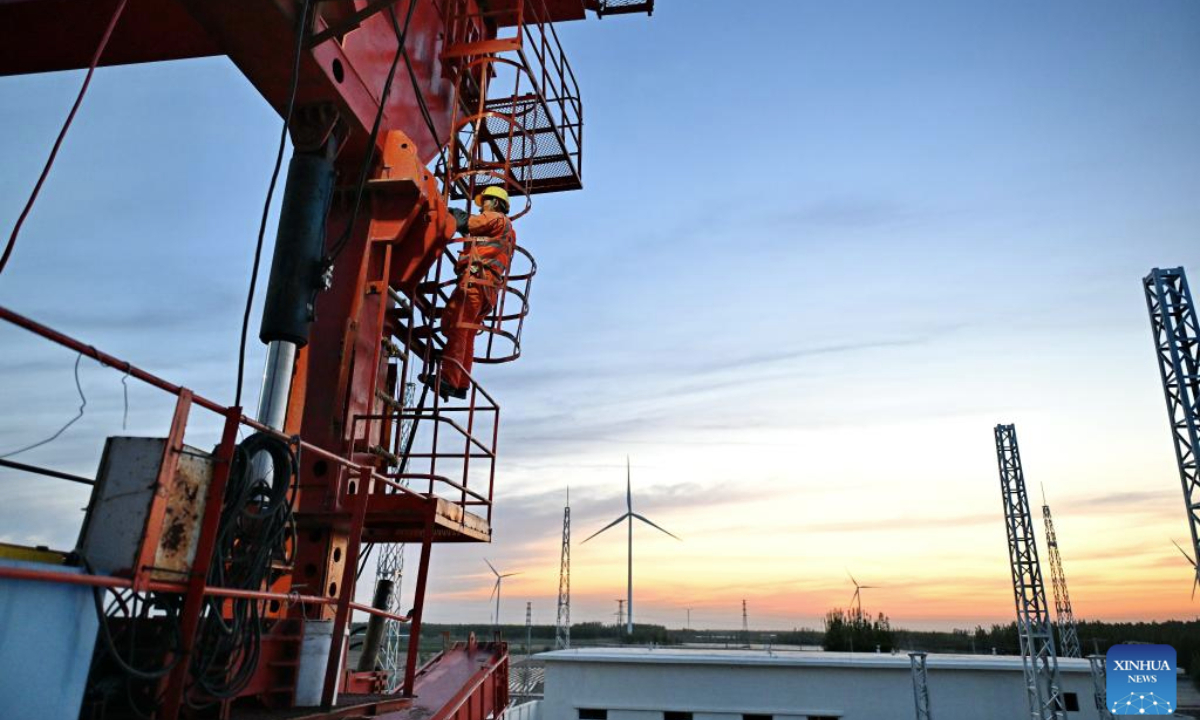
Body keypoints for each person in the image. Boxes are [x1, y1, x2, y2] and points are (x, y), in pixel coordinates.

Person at [429, 186, 516, 400]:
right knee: (465, 331)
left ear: (495, 203)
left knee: (457, 326)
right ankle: (461, 384)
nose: (481, 207)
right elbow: (474, 230)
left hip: (476, 284)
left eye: (484, 202)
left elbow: (470, 223)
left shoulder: (497, 219)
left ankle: (449, 379)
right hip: (487, 289)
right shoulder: (507, 231)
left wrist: (447, 211)